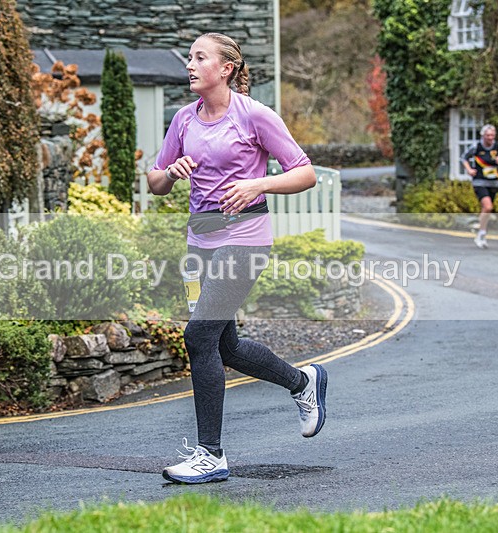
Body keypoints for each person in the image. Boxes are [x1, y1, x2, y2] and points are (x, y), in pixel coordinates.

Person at [147, 32, 327, 484]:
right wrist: (170, 173)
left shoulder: (254, 116)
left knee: (198, 338)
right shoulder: (184, 120)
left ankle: (211, 454)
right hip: (199, 245)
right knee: (223, 346)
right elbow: (154, 180)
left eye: (199, 57)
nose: (190, 64)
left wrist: (257, 185)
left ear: (226, 68)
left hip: (245, 241)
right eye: (189, 58)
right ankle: (302, 383)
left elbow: (304, 173)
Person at [461, 124, 498, 249]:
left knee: (486, 210)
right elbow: (464, 158)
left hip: (493, 182)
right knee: (488, 207)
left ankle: (480, 233)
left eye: (492, 135)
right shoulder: (476, 146)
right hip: (479, 182)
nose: (490, 138)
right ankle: (481, 232)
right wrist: (469, 170)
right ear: (483, 135)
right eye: (488, 135)